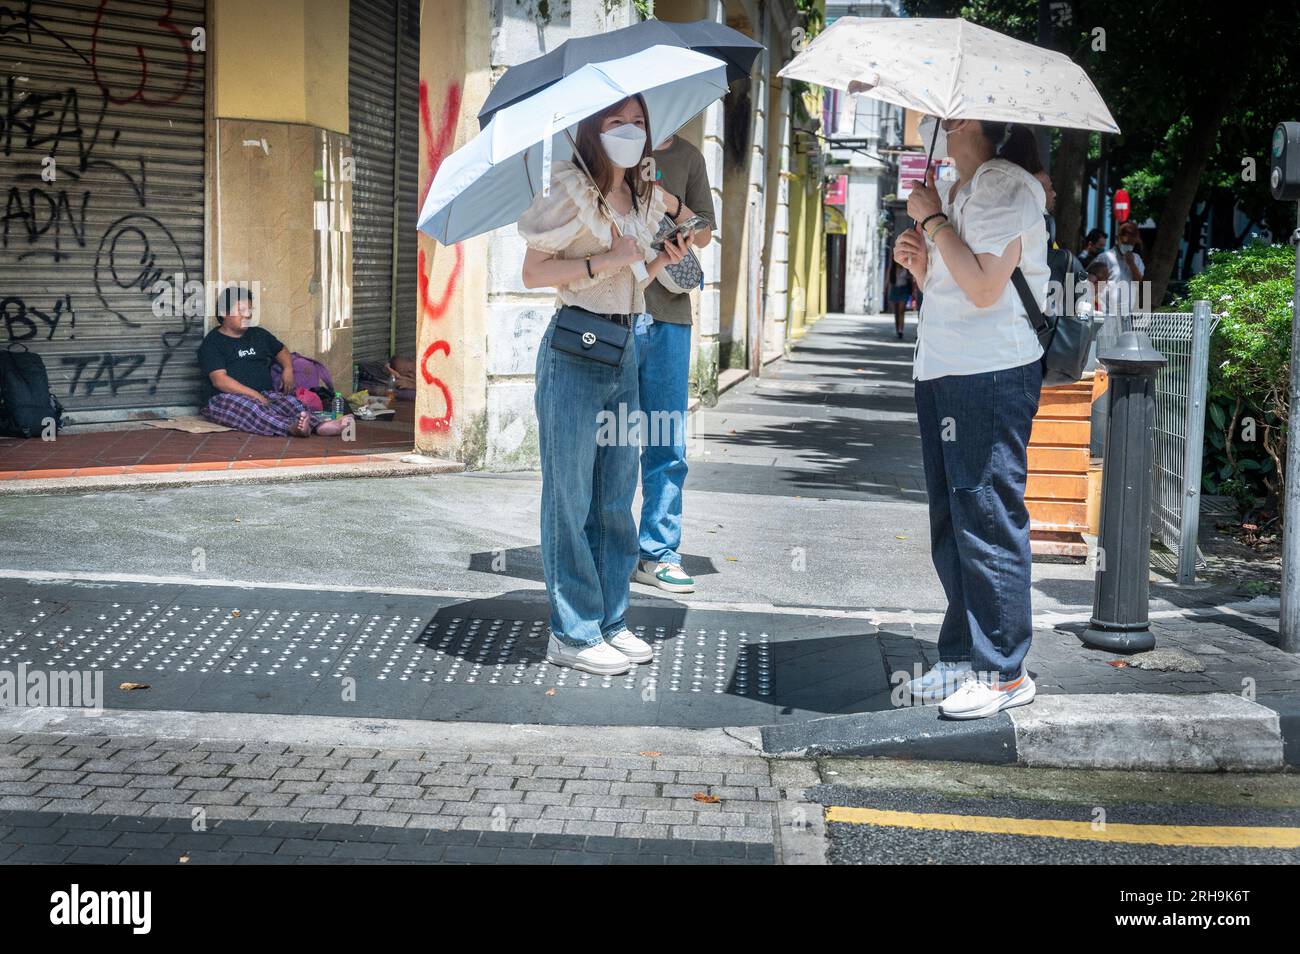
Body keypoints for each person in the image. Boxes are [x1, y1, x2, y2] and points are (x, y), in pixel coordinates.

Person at [517, 94, 693, 676]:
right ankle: (571, 631)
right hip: (574, 351)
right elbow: (534, 271)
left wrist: (663, 258)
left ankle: (610, 620)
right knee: (570, 495)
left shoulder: (637, 196)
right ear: (591, 127)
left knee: (616, 496)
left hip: (627, 347)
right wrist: (602, 261)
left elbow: (635, 278)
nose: (629, 130)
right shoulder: (571, 187)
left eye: (638, 121)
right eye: (616, 120)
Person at [892, 116, 1048, 720]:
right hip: (944, 368)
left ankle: (1004, 669)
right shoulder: (962, 191)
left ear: (970, 124)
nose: (933, 125)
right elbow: (956, 289)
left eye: (944, 118)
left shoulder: (1004, 186)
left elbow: (986, 289)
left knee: (986, 512)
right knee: (952, 518)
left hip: (989, 371)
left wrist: (931, 221)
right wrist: (921, 266)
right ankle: (962, 656)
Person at [634, 133, 714, 595]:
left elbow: (702, 233)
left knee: (666, 438)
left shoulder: (687, 157)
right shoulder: (609, 144)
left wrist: (671, 203)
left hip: (669, 314)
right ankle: (611, 547)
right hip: (614, 311)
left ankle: (658, 553)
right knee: (611, 438)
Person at [198, 288, 352, 437]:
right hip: (223, 398)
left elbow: (281, 350)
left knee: (291, 403)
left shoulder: (258, 334)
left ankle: (321, 426)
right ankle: (291, 427)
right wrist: (255, 395)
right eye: (242, 310)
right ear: (224, 313)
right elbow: (220, 381)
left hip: (263, 393)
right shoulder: (213, 343)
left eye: (250, 310)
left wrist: (288, 369)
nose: (248, 315)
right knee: (253, 409)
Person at [1098, 219, 1145, 314]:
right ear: (1117, 238)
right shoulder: (1105, 258)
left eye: (1131, 244)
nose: (1128, 246)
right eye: (1125, 243)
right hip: (1107, 313)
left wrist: (1132, 264)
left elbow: (1140, 284)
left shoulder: (1137, 259)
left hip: (1128, 313)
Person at [887, 256, 915, 338]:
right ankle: (897, 328)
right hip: (895, 289)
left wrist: (913, 291)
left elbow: (911, 279)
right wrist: (886, 290)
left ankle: (901, 330)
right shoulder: (892, 268)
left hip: (904, 290)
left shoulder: (906, 268)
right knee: (896, 312)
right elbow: (888, 280)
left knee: (901, 311)